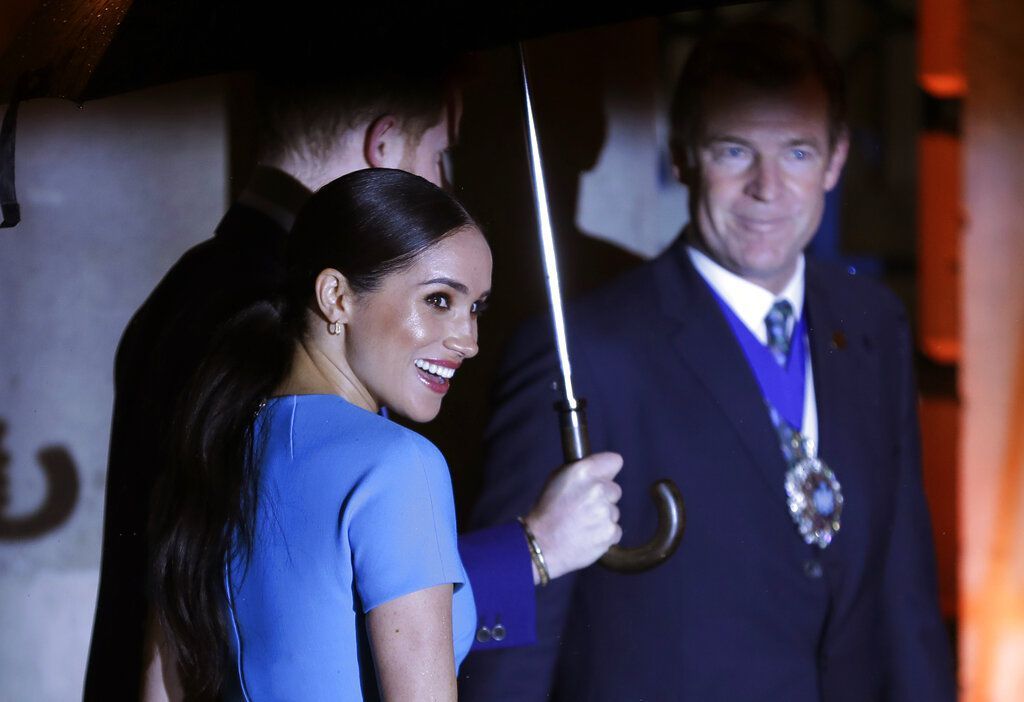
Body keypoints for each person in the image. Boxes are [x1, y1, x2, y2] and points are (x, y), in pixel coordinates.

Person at [85, 61, 623, 700]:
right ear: (384, 147)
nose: (468, 340)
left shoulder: (195, 305)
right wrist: (532, 550)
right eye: (441, 157)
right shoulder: (256, 319)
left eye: (472, 307)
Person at [459, 21, 956, 701]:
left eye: (799, 153)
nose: (768, 187)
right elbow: (513, 643)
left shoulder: (875, 324)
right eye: (734, 151)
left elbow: (905, 598)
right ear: (683, 154)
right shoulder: (581, 352)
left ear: (836, 159)